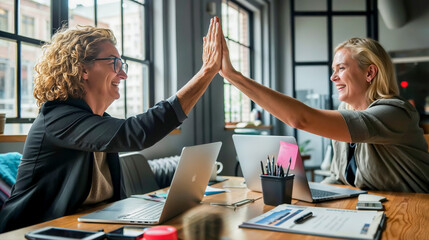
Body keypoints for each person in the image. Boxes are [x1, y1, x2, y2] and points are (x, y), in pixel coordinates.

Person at [0, 17, 223, 232]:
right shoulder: (57, 118)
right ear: (83, 69)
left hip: (87, 227)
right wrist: (206, 72)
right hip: (28, 232)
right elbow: (137, 133)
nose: (123, 74)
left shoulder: (99, 124)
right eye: (115, 63)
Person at [218, 25, 429, 192]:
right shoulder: (345, 112)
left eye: (342, 68)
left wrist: (234, 77)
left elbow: (302, 119)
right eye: (333, 69)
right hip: (375, 211)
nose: (333, 77)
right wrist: (309, 192)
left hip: (414, 214)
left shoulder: (396, 113)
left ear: (370, 73)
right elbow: (339, 178)